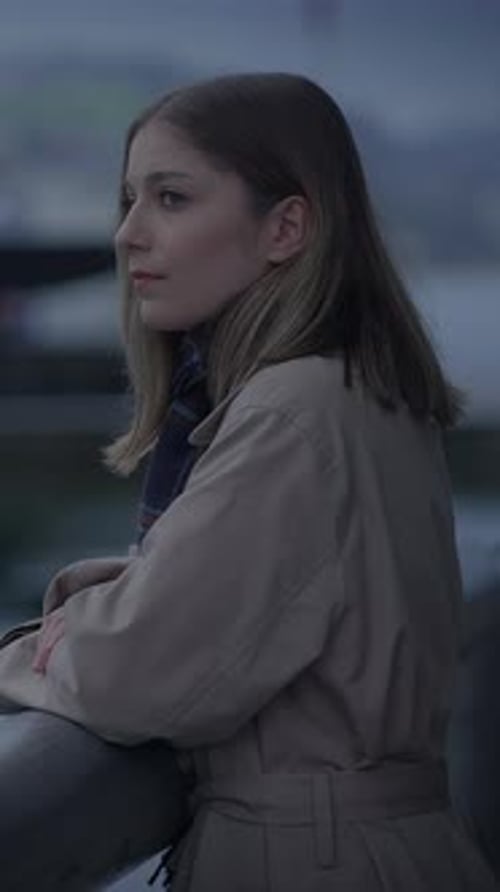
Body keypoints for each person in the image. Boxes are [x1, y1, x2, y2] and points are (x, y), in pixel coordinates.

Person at [0, 71, 497, 891]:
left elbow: (136, 677)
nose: (127, 234)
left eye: (171, 198)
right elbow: (296, 594)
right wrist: (132, 595)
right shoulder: (361, 388)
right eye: (128, 199)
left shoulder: (287, 414)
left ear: (285, 227)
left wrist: (28, 658)